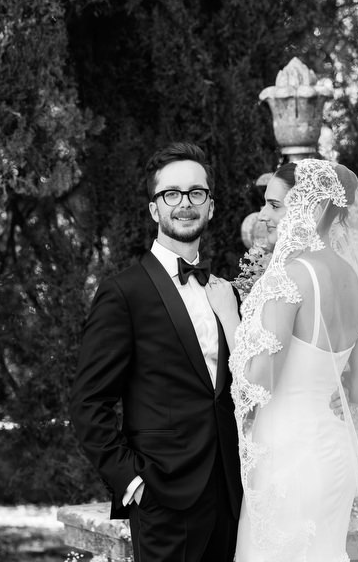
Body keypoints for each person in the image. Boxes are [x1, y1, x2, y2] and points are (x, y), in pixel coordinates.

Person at [206, 159, 358, 562]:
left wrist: (229, 315)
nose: (264, 215)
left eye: (275, 205)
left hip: (287, 457)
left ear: (313, 208)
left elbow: (260, 382)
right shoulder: (354, 280)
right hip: (333, 454)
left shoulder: (289, 276)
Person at [70, 142, 243, 562]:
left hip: (232, 495)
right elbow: (88, 403)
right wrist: (132, 482)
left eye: (196, 193)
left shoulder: (227, 292)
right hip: (163, 499)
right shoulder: (123, 292)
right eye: (172, 194)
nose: (185, 203)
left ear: (211, 206)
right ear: (154, 210)